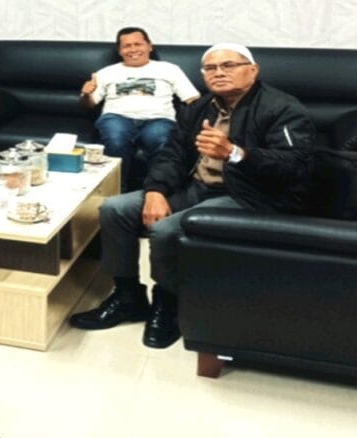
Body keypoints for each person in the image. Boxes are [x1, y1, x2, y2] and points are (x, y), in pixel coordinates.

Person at [70, 43, 315, 348]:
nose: (219, 73)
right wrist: (156, 191)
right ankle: (128, 297)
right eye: (210, 68)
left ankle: (168, 302)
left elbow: (297, 165)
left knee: (165, 229)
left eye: (228, 65)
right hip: (195, 187)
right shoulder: (199, 108)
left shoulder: (281, 107)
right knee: (115, 209)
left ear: (252, 70)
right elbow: (171, 155)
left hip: (247, 196)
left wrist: (235, 153)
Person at [80, 27, 200, 191]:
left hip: (158, 119)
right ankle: (115, 192)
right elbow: (88, 105)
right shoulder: (106, 73)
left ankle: (157, 192)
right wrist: (85, 94)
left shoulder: (169, 69)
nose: (133, 49)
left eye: (138, 44)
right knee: (116, 139)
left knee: (161, 140)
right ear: (120, 51)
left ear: (149, 46)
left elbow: (192, 98)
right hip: (117, 117)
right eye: (127, 46)